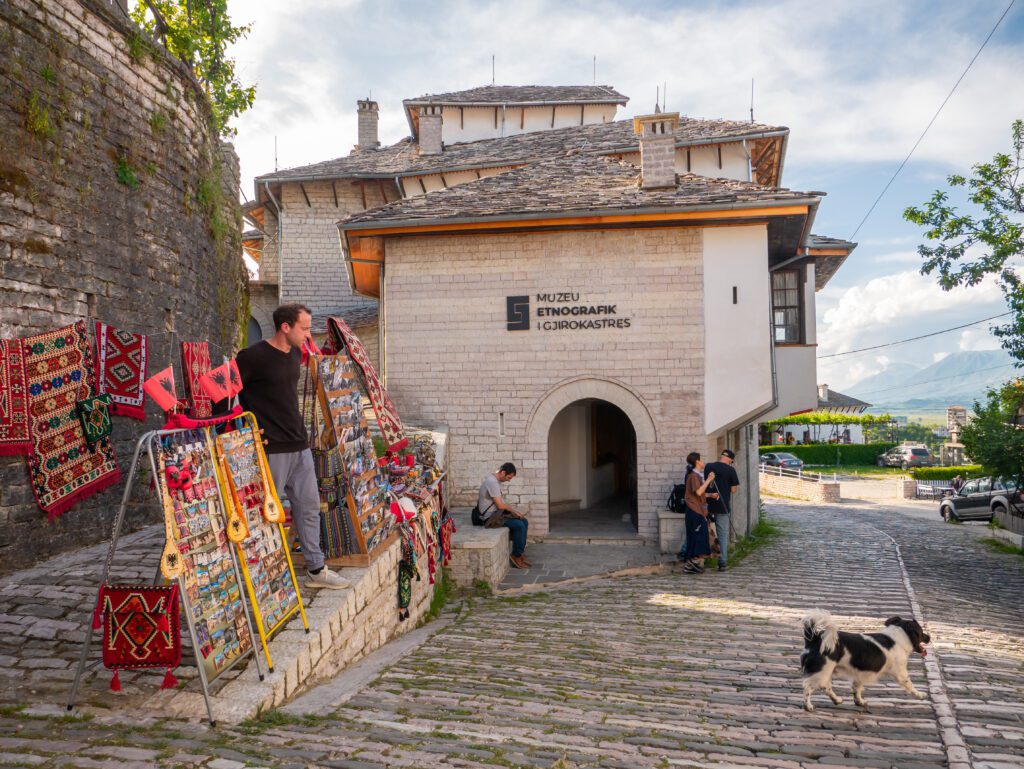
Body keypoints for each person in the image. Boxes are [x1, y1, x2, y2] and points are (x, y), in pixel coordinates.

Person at [236, 303, 350, 590]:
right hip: (270, 447)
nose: (308, 333)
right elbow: (225, 392)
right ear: (285, 327)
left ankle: (315, 568)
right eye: (304, 328)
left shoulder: (297, 354)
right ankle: (260, 573)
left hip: (299, 444)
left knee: (309, 506)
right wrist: (242, 430)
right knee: (265, 513)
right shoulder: (252, 357)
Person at [478, 462, 531, 569]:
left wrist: (514, 512)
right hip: (490, 518)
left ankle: (519, 553)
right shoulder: (492, 482)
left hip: (497, 514)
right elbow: (500, 505)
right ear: (503, 472)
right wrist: (515, 512)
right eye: (509, 477)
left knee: (524, 521)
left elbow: (500, 505)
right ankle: (515, 556)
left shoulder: (495, 481)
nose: (509, 480)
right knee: (519, 525)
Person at [677, 452, 716, 574]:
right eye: (701, 459)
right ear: (697, 461)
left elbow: (699, 494)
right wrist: (709, 479)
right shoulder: (693, 476)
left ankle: (694, 564)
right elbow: (698, 492)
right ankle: (691, 564)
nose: (703, 461)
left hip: (698, 510)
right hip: (694, 511)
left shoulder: (697, 475)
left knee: (700, 536)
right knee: (698, 537)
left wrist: (711, 495)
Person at [705, 449, 740, 571]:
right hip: (722, 506)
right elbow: (734, 490)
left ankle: (700, 558)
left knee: (703, 531)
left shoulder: (708, 466)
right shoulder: (731, 470)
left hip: (707, 504)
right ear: (730, 459)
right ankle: (722, 562)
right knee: (722, 534)